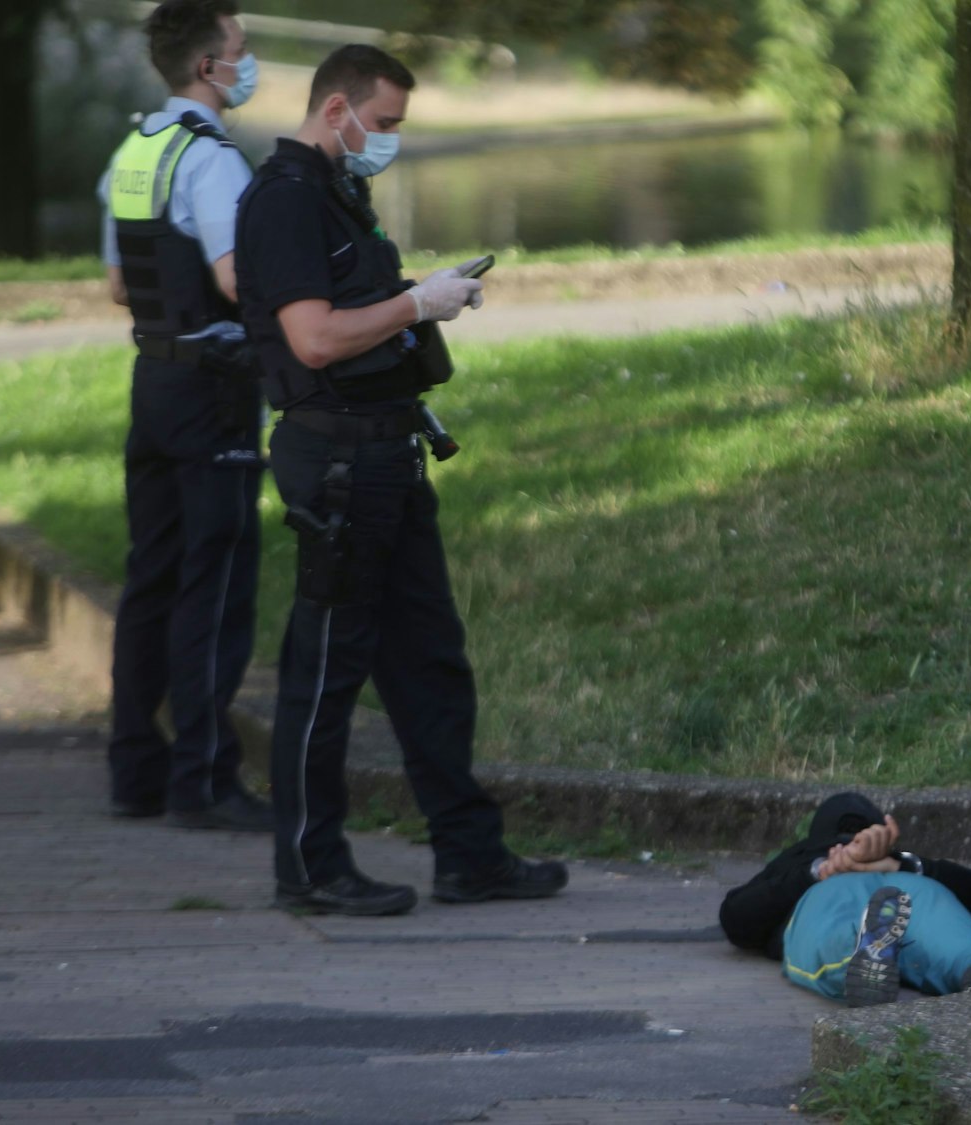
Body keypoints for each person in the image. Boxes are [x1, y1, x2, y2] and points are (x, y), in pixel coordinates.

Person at [233, 44, 565, 917]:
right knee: (327, 669)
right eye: (382, 124)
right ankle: (309, 864)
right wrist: (418, 305)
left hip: (385, 453)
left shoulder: (341, 194)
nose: (388, 141)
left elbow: (358, 316)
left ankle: (470, 855)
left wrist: (425, 297)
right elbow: (312, 338)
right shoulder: (286, 200)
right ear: (335, 108)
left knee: (430, 663)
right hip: (336, 459)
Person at [99, 0, 271, 832]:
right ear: (209, 66)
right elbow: (239, 280)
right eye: (241, 49)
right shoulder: (213, 161)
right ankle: (202, 779)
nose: (249, 60)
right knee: (219, 578)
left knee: (153, 576)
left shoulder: (136, 150)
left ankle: (136, 770)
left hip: (154, 379)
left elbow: (118, 285)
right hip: (214, 387)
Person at [720, 793, 971, 1006]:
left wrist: (825, 871)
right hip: (902, 887)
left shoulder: (796, 865)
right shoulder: (807, 863)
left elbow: (736, 918)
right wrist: (900, 865)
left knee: (832, 934)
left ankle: (862, 953)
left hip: (830, 894)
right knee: (950, 936)